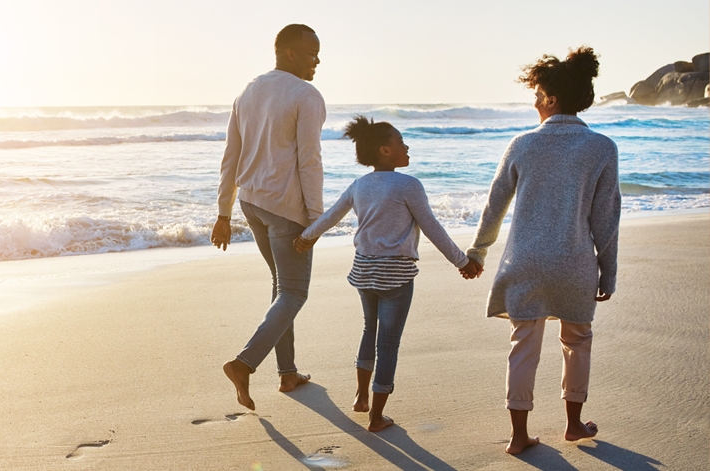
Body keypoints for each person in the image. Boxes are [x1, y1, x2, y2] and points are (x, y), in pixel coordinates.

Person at [462, 46, 619, 455]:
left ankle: (519, 435)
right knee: (577, 341)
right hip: (575, 263)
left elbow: (495, 204)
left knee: (523, 346)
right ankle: (573, 425)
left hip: (525, 263)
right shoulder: (602, 147)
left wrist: (478, 251)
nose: (533, 102)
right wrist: (610, 272)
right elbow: (606, 220)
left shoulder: (522, 144)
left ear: (551, 99)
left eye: (537, 95)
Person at [293, 116, 477, 432]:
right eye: (401, 143)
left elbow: (331, 216)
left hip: (364, 270)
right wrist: (462, 261)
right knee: (388, 343)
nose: (406, 147)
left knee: (369, 330)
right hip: (396, 274)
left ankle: (361, 398)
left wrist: (306, 237)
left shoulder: (359, 185)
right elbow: (432, 227)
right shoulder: (408, 185)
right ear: (384, 151)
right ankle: (376, 418)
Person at [211, 24, 325, 411]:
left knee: (281, 285)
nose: (317, 60)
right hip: (286, 208)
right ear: (290, 53)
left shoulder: (247, 91)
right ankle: (244, 364)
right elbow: (310, 161)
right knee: (294, 292)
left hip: (251, 204)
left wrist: (224, 212)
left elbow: (231, 156)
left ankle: (288, 373)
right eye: (312, 53)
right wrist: (316, 220)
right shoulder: (305, 95)